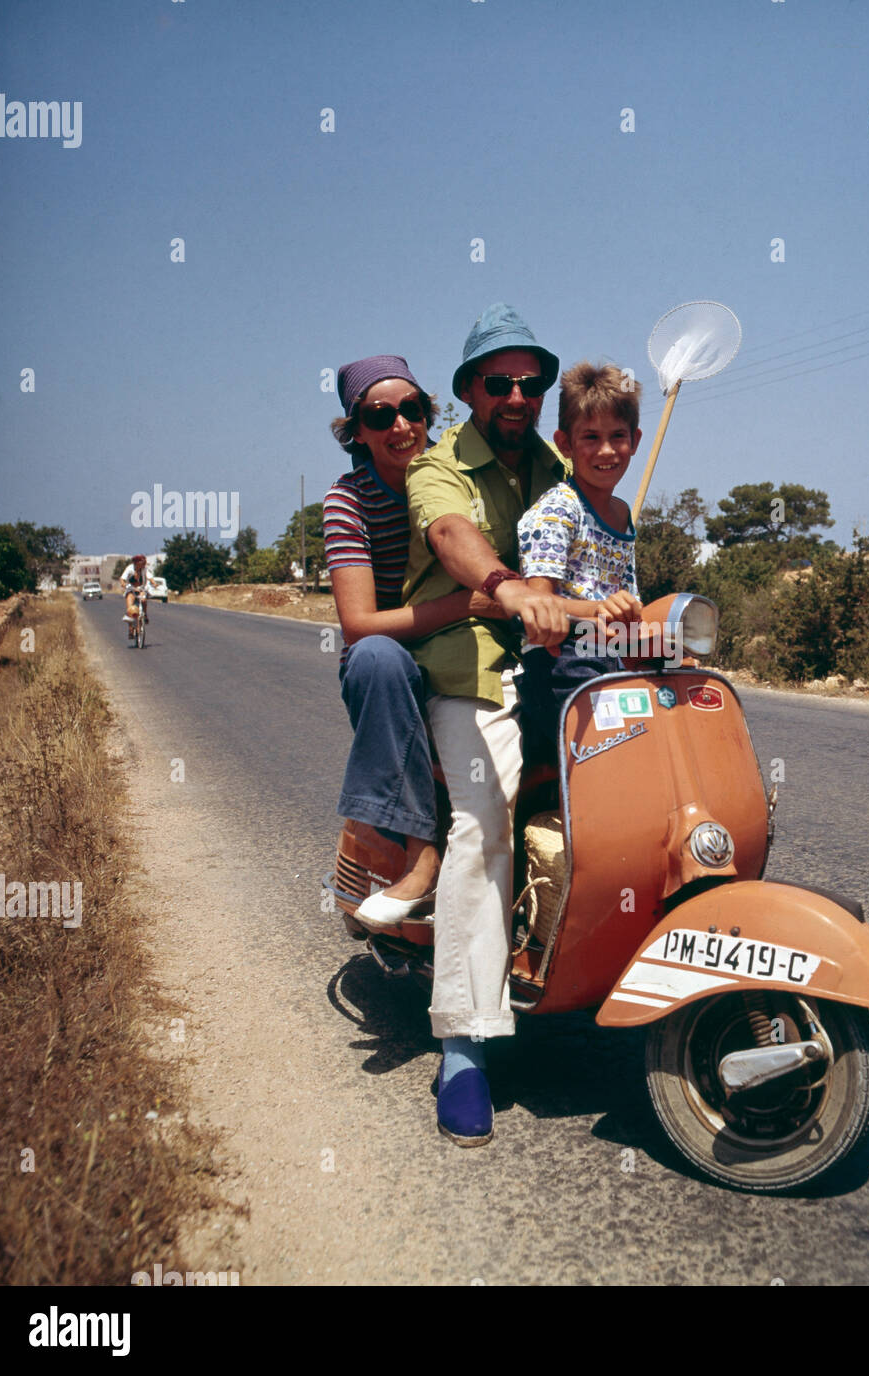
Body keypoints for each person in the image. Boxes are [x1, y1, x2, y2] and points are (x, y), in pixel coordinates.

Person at [402, 304, 570, 1146]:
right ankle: (463, 1041)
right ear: (469, 390)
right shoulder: (440, 464)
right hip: (468, 659)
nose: (517, 395)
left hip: (556, 655)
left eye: (531, 382)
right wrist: (508, 587)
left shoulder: (555, 464)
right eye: (499, 382)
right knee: (488, 815)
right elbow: (449, 531)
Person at [322, 356, 506, 925]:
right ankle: (418, 852)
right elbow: (358, 625)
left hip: (476, 640)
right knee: (378, 659)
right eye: (380, 416)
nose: (400, 426)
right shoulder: (347, 502)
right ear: (356, 432)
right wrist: (463, 604)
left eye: (411, 410)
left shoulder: (457, 475)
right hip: (397, 654)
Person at [515, 362, 645, 758]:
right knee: (618, 736)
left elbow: (629, 605)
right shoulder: (558, 509)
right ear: (565, 444)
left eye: (617, 436)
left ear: (635, 440)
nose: (606, 450)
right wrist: (598, 610)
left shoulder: (622, 513)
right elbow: (537, 606)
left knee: (683, 683)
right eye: (590, 437)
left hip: (612, 652)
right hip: (562, 659)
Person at [120, 554, 155, 626]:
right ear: (136, 562)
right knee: (131, 610)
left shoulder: (145, 569)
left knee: (143, 600)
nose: (144, 564)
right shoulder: (130, 568)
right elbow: (122, 578)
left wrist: (154, 583)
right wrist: (123, 584)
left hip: (141, 590)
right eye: (142, 562)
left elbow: (150, 577)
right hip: (131, 590)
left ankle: (145, 615)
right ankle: (131, 629)